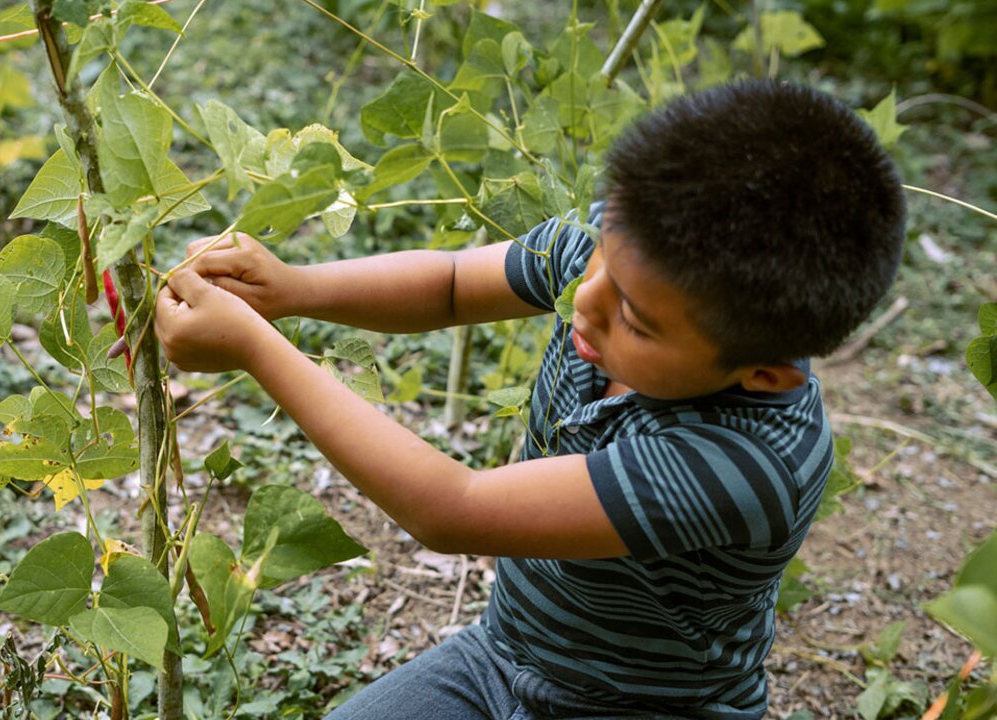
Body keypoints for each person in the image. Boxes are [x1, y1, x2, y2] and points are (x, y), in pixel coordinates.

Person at [153, 79, 906, 719]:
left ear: (762, 374)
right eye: (600, 254)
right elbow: (449, 284)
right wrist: (295, 290)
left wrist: (255, 347)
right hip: (501, 654)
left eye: (635, 321)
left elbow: (451, 508)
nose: (584, 300)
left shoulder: (745, 466)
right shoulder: (620, 255)